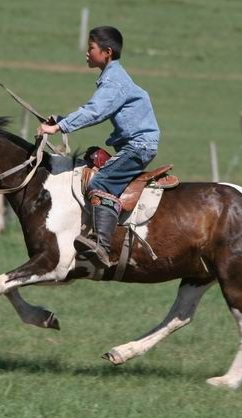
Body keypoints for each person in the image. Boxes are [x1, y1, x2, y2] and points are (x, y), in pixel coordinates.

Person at [37, 25, 160, 268]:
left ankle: (102, 246)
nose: (86, 53)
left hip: (139, 146)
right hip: (135, 145)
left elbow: (95, 112)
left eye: (90, 48)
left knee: (100, 182)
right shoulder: (112, 77)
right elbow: (95, 111)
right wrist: (61, 120)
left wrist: (59, 128)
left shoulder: (115, 81)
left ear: (107, 52)